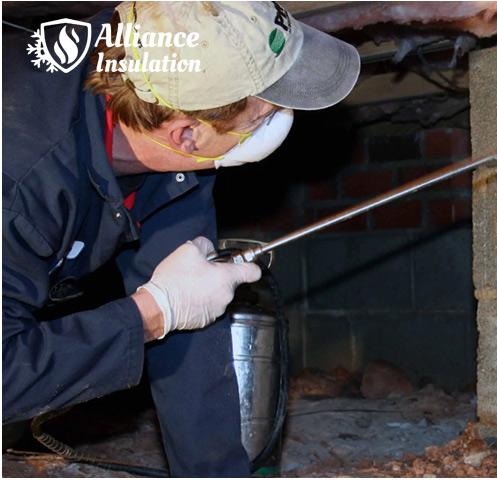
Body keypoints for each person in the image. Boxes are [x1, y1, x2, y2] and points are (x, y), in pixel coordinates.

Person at [2, 2, 359, 476]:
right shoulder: (21, 181)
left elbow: (193, 330)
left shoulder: (167, 70)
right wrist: (155, 312)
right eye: (264, 114)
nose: (277, 121)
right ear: (186, 133)